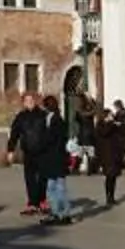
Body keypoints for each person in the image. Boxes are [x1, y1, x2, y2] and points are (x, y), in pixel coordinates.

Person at [8, 94, 49, 215]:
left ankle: (42, 200)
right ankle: (32, 202)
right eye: (27, 100)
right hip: (28, 151)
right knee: (30, 178)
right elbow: (14, 134)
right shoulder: (21, 117)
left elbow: (49, 132)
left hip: (42, 151)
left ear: (35, 102)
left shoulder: (43, 115)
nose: (29, 102)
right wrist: (10, 150)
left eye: (31, 100)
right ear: (24, 103)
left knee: (43, 177)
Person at [38, 95, 75, 225]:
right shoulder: (50, 119)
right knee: (54, 187)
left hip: (57, 158)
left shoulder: (57, 120)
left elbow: (52, 139)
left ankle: (62, 214)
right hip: (52, 159)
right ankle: (58, 213)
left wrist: (41, 143)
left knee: (57, 188)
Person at [93, 101, 125, 208]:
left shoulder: (113, 125)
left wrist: (118, 125)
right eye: (110, 115)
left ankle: (112, 196)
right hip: (106, 156)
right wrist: (110, 123)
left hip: (114, 154)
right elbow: (104, 133)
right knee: (109, 177)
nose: (112, 116)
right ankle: (108, 197)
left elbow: (121, 132)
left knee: (113, 177)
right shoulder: (101, 125)